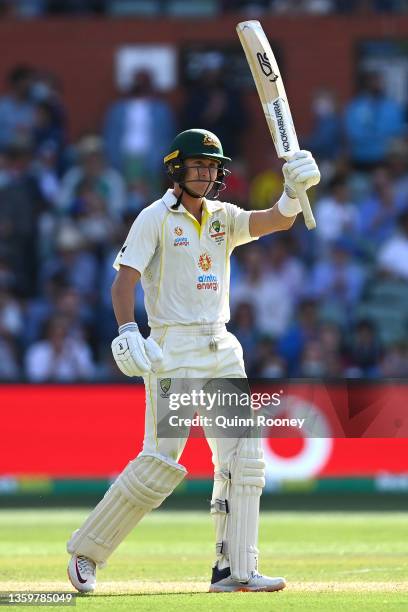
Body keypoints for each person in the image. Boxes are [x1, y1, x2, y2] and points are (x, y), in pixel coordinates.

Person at [66, 128, 320, 593]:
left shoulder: (223, 217)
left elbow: (274, 221)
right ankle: (86, 552)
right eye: (197, 166)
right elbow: (123, 283)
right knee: (162, 462)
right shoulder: (155, 217)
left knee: (243, 457)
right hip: (173, 351)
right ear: (177, 170)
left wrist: (292, 192)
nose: (205, 174)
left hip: (221, 349)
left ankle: (235, 570)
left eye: (212, 167)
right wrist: (127, 330)